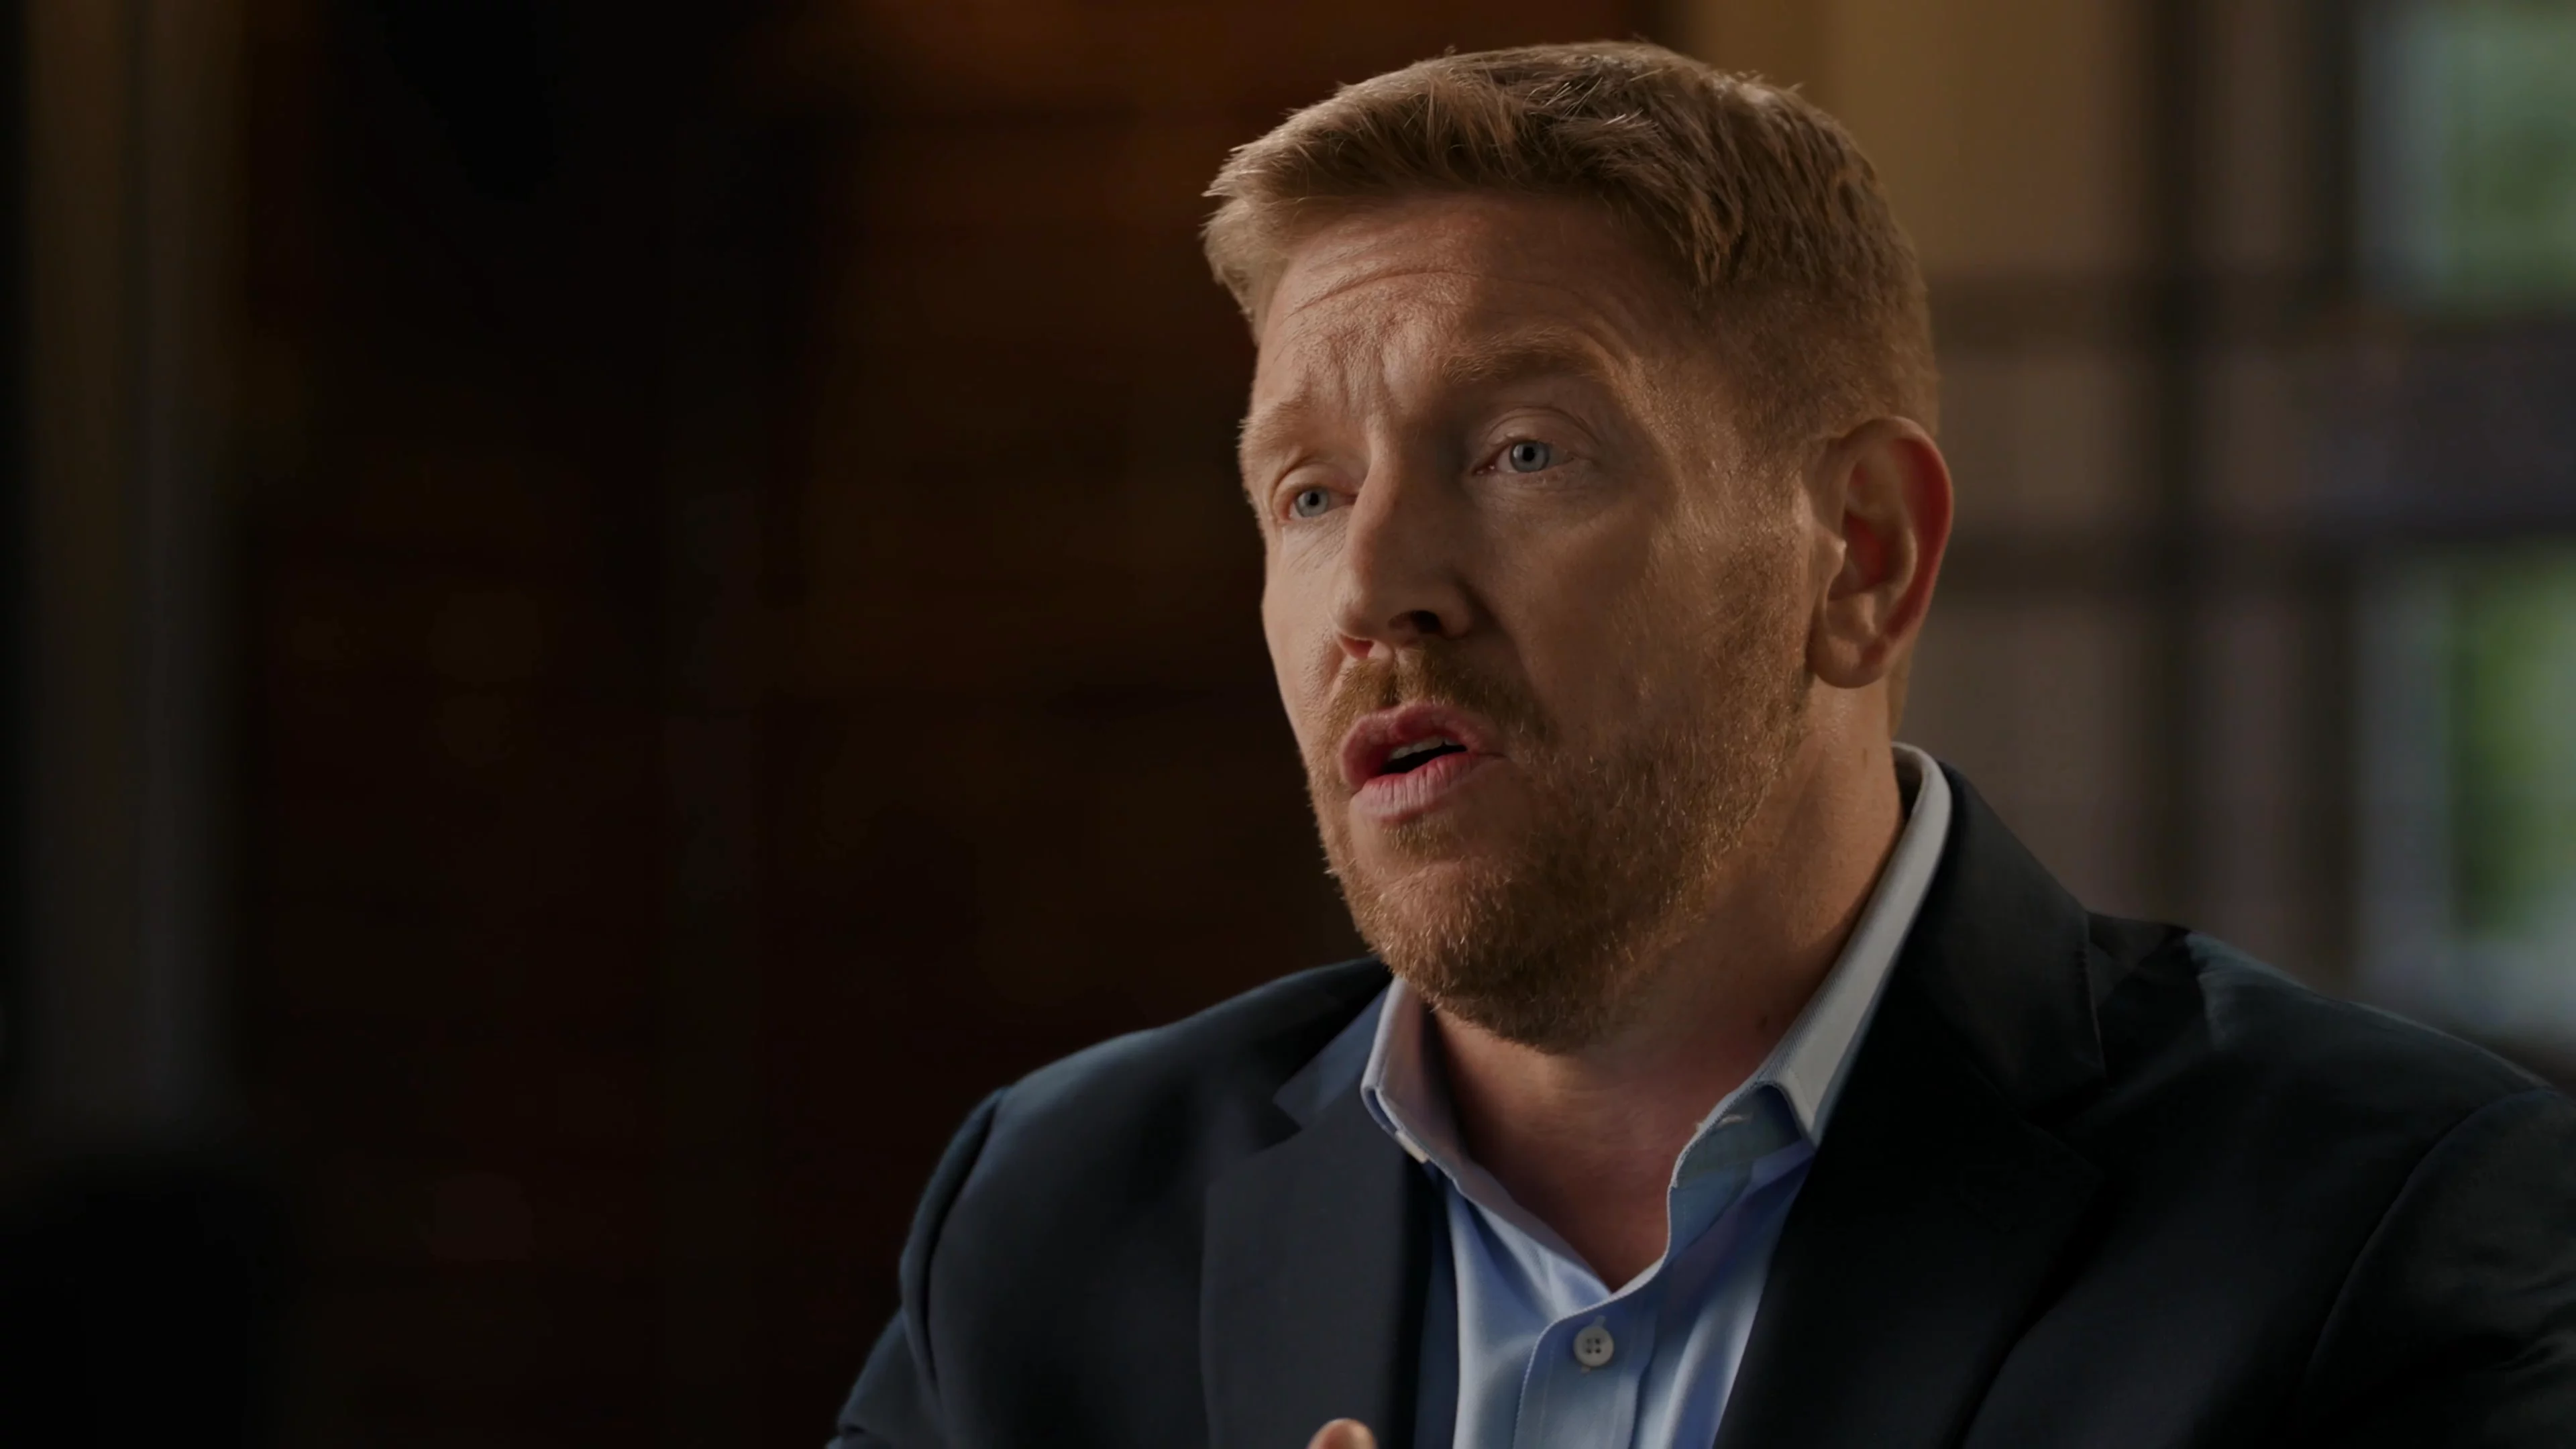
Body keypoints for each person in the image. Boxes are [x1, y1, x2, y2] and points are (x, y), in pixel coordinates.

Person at [832, 42, 2576, 1449]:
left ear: (1859, 556)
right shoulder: (1051, 1216)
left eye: (1523, 453)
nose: (1373, 589)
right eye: (1309, 492)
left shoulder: (2385, 1229)